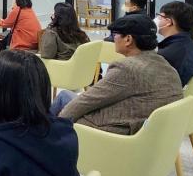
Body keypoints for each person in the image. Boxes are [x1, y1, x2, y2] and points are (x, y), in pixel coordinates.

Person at [53, 14, 183, 136]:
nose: (113, 38)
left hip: (112, 135)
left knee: (64, 98)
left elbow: (87, 101)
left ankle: (44, 136)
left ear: (128, 39)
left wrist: (58, 126)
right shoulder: (165, 65)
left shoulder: (126, 68)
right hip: (149, 135)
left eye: (115, 34)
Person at [155, 1, 193, 86]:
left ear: (169, 22)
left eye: (160, 16)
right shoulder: (192, 46)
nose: (156, 19)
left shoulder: (165, 56)